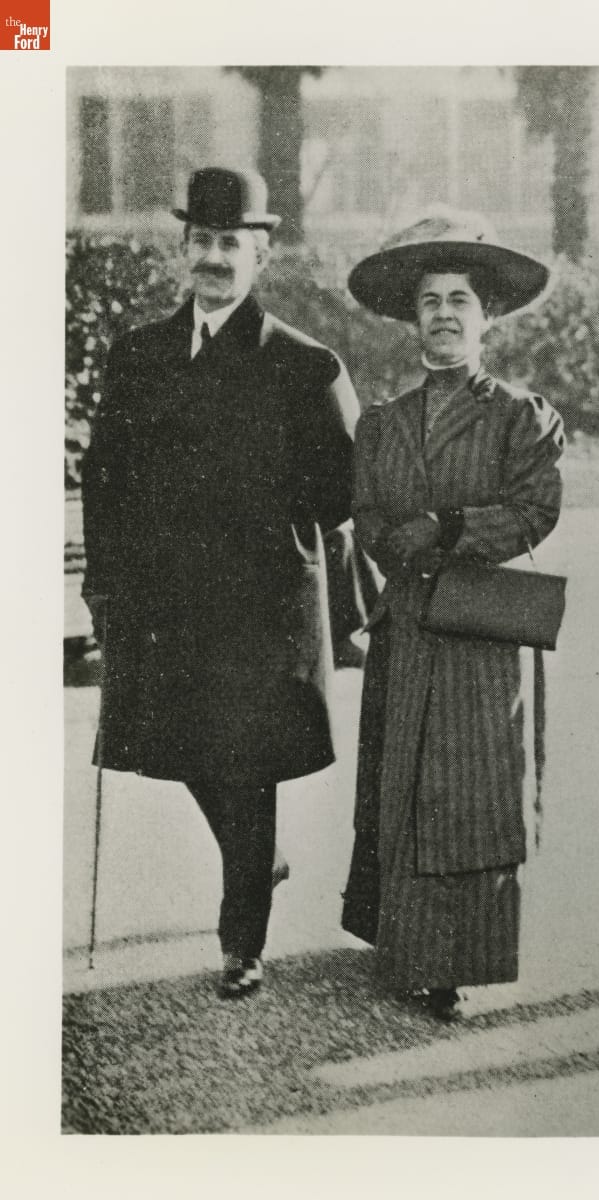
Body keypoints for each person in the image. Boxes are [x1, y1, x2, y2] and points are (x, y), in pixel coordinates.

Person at [81, 167, 358, 997]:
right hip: (164, 599)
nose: (213, 258)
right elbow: (106, 477)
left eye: (229, 243)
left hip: (262, 606)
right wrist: (104, 585)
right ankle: (258, 858)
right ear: (184, 249)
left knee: (247, 763)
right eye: (200, 241)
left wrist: (272, 521)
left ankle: (242, 942)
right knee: (184, 750)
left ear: (260, 254)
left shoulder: (305, 366)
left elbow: (342, 487)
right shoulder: (139, 358)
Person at [341, 208, 564, 1021]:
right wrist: (388, 541)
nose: (443, 313)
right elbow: (363, 511)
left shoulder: (519, 417)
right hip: (408, 627)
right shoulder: (382, 423)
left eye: (460, 300)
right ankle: (405, 948)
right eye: (429, 300)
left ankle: (461, 961)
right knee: (404, 783)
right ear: (412, 319)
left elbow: (536, 510)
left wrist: (450, 529)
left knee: (473, 792)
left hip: (480, 631)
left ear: (488, 317)